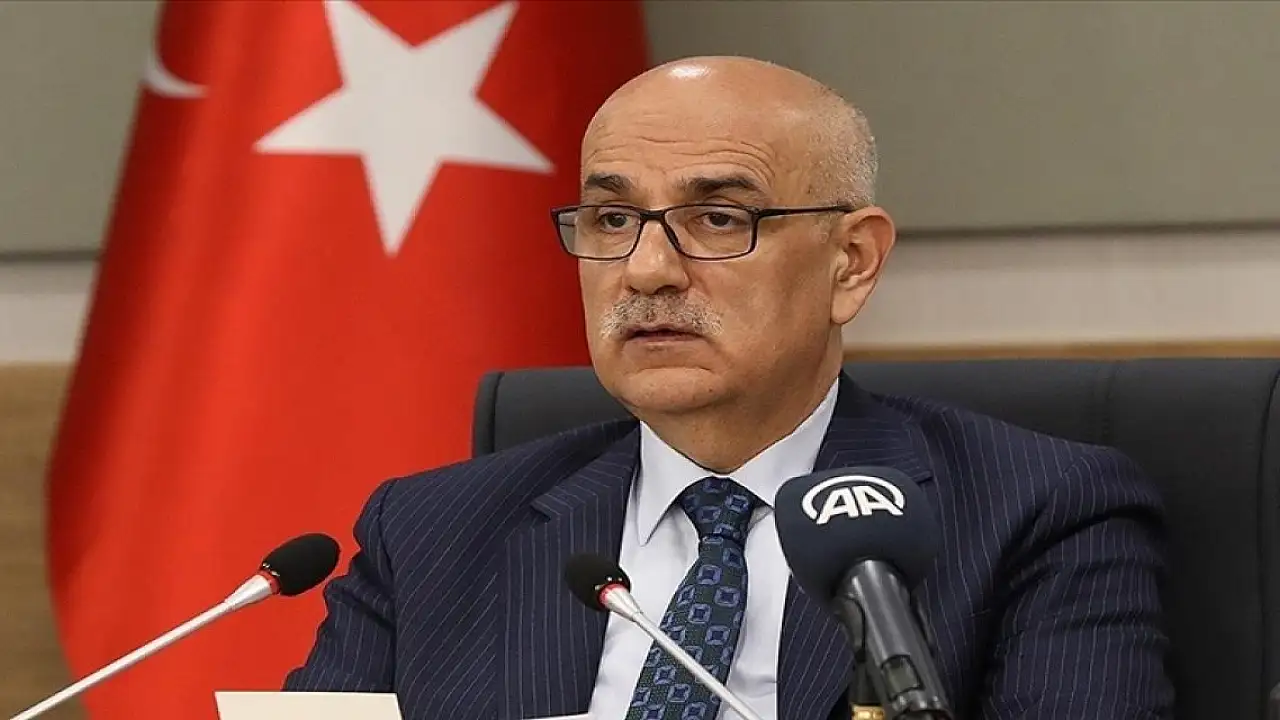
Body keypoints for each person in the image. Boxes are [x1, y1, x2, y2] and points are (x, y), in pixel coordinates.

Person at [284, 55, 1173, 719]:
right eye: (613, 218)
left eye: (718, 217)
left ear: (851, 263)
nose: (646, 270)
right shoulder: (431, 530)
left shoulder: (1034, 512)